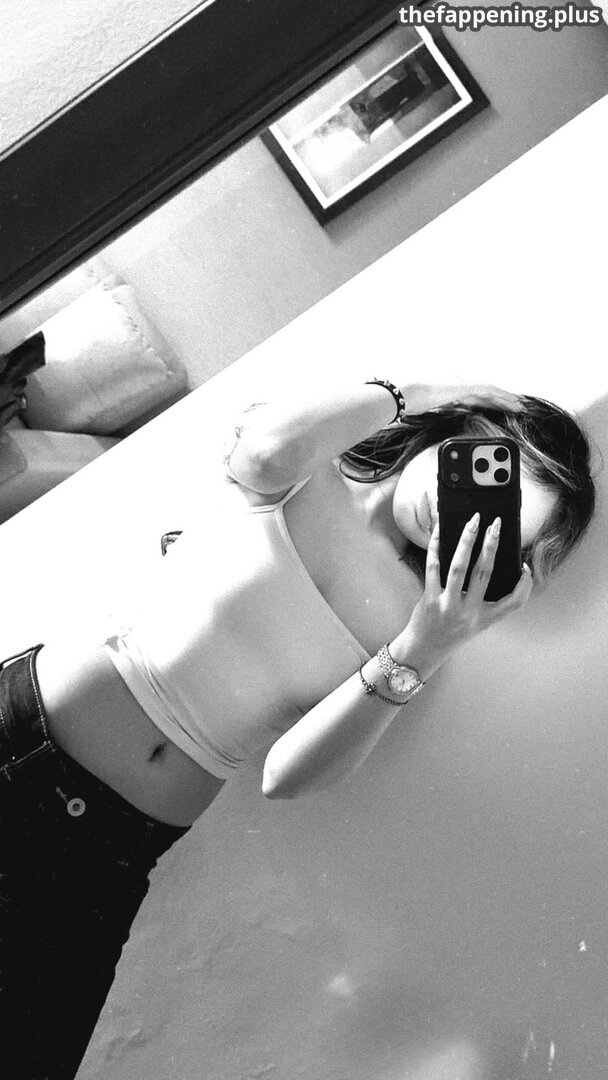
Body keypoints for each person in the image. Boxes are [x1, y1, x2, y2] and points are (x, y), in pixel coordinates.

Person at [0, 378, 595, 1079]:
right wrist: (424, 393)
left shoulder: (412, 630)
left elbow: (286, 777)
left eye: (494, 526)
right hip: (24, 741)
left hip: (113, 856)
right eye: (484, 477)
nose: (458, 511)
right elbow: (259, 451)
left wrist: (426, 646)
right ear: (458, 436)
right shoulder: (310, 473)